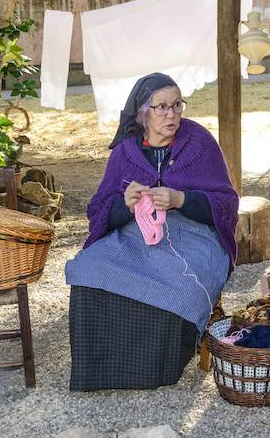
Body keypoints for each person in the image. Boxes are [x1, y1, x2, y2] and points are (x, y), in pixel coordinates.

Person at [66, 74, 238, 391]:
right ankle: (100, 368)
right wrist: (125, 205)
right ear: (143, 112)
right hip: (135, 234)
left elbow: (226, 203)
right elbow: (99, 210)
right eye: (162, 107)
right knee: (89, 267)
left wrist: (182, 199)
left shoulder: (199, 143)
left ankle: (158, 370)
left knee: (179, 286)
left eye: (177, 105)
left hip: (193, 235)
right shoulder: (125, 153)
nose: (171, 114)